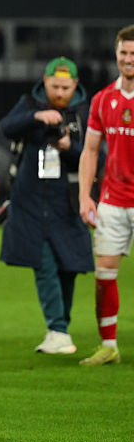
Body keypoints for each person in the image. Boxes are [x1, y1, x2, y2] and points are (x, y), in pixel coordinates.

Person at [0, 57, 92, 355]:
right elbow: (6, 128)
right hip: (30, 202)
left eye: (66, 87)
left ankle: (60, 329)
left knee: (69, 267)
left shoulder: (84, 112)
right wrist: (37, 118)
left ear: (75, 85)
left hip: (69, 203)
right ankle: (56, 328)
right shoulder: (29, 104)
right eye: (55, 86)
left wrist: (71, 148)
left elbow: (99, 159)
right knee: (44, 264)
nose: (60, 93)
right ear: (44, 81)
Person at [77, 26, 134, 366]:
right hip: (112, 201)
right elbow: (90, 151)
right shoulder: (102, 99)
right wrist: (86, 196)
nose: (129, 59)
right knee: (104, 275)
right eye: (124, 53)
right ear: (116, 54)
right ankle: (109, 345)